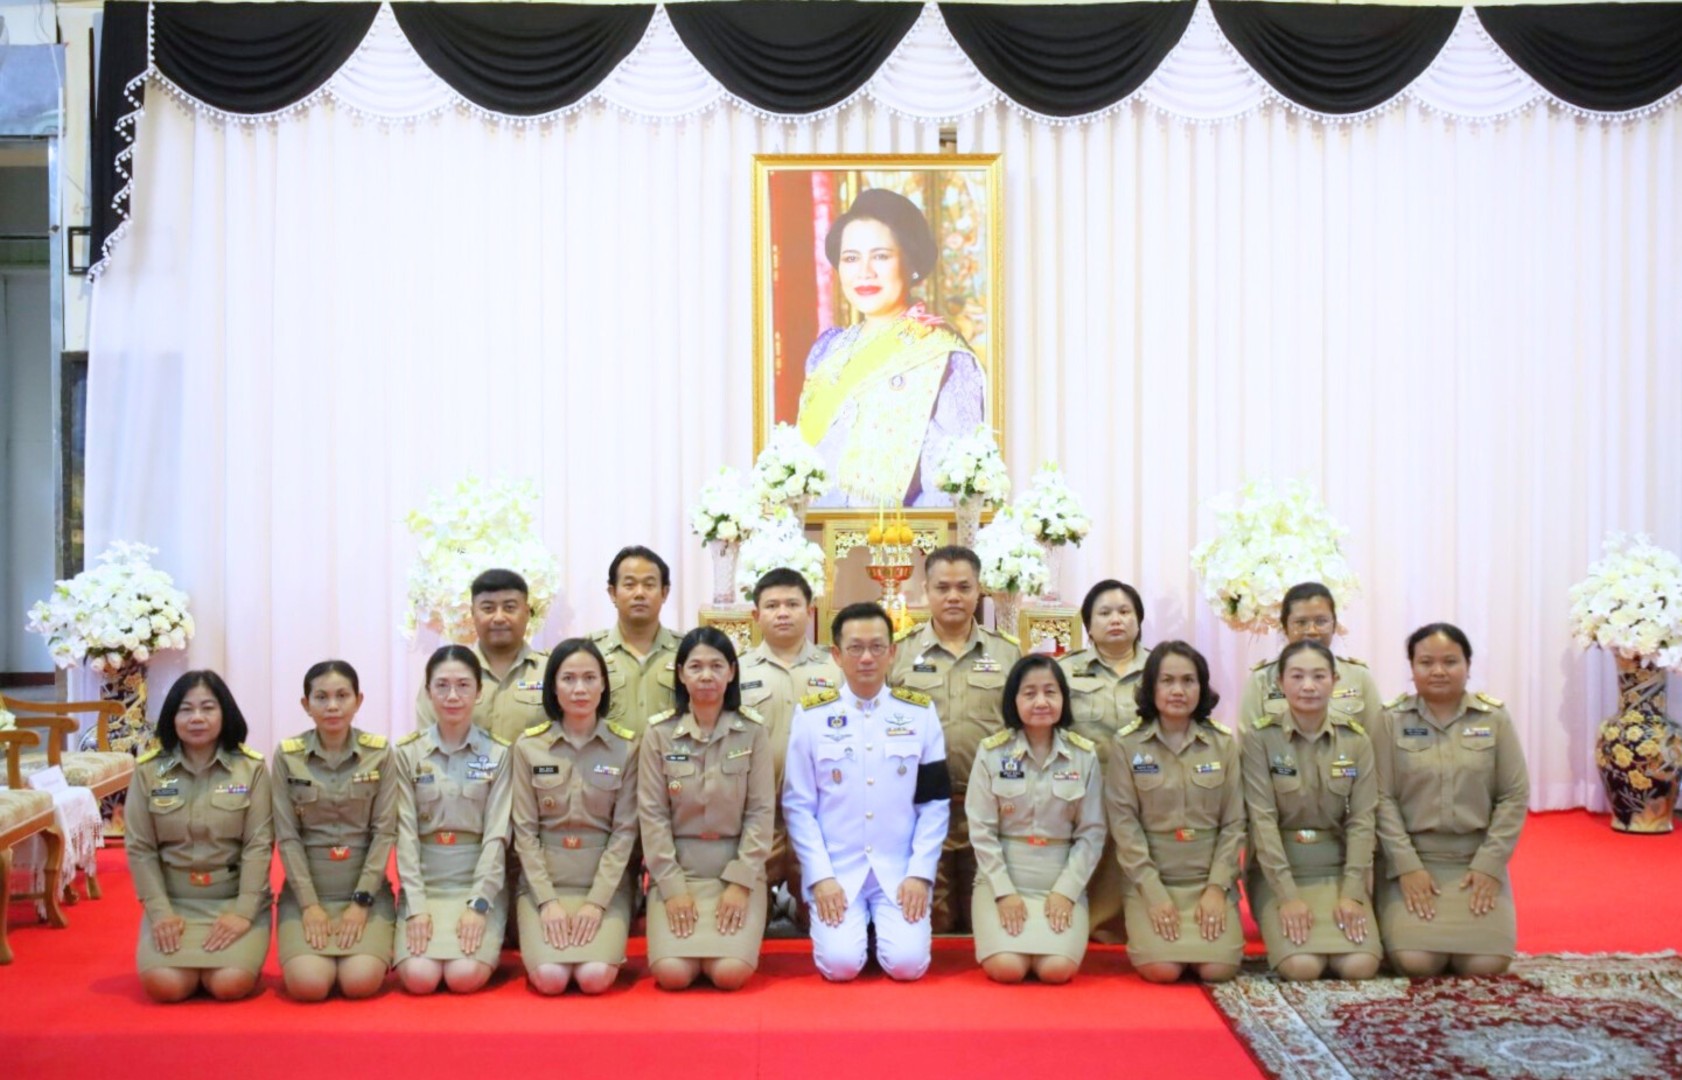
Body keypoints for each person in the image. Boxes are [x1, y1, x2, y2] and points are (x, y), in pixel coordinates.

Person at [784, 602, 950, 981]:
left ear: (892, 653)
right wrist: (820, 877)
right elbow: (798, 805)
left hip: (899, 869)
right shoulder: (811, 716)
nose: (867, 658)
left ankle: (881, 931)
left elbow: (934, 803)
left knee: (908, 966)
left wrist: (921, 873)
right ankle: (858, 932)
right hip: (839, 871)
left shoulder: (919, 714)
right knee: (840, 966)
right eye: (855, 648)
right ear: (837, 655)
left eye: (877, 647)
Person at [797, 188, 985, 508]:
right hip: (812, 541)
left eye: (881, 256)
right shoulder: (827, 351)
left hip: (896, 547)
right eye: (851, 258)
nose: (864, 272)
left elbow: (951, 489)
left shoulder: (943, 356)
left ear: (911, 263)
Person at [1372, 624, 1529, 977]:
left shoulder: (1494, 719)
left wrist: (1489, 865)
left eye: (1450, 661)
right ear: (1412, 668)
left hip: (1474, 861)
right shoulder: (1391, 720)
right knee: (1416, 962)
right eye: (1426, 662)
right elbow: (1380, 799)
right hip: (1413, 861)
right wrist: (1407, 866)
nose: (1438, 671)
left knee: (1487, 964)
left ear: (1468, 666)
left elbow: (1513, 795)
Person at [890, 545, 1019, 933]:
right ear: (925, 589)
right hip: (920, 808)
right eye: (942, 587)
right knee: (934, 920)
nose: (953, 597)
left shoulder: (1007, 653)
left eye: (964, 587)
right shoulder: (900, 651)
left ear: (979, 590)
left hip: (990, 808)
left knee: (985, 916)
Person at [638, 628, 775, 991]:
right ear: (680, 673)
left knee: (730, 972)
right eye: (695, 666)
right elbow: (652, 817)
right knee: (672, 973)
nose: (706, 676)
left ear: (732, 671)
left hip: (735, 869)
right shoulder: (659, 734)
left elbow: (761, 813)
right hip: (679, 868)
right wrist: (671, 886)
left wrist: (741, 882)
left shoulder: (752, 732)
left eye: (716, 666)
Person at [124, 670, 273, 1002]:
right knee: (166, 986)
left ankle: (242, 946)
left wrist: (243, 912)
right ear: (172, 716)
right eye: (186, 709)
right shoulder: (149, 770)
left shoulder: (252, 769)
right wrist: (160, 913)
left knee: (229, 984)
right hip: (175, 903)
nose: (197, 718)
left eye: (208, 708)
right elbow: (140, 848)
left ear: (225, 713)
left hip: (232, 900)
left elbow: (258, 846)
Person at [1242, 640, 1381, 981]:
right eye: (1297, 676)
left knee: (1360, 967)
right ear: (1279, 683)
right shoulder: (1261, 739)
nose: (1308, 686)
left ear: (1334, 680)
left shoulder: (1356, 740)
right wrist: (1287, 896)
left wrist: (1353, 892)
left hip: (1336, 866)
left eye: (1319, 676)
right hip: (1279, 870)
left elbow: (1363, 821)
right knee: (1301, 967)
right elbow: (1261, 820)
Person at [1105, 641, 1243, 984]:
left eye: (1188, 681)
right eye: (1167, 681)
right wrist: (1153, 892)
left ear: (1202, 687)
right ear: (1151, 687)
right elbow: (1124, 827)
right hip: (1152, 878)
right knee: (1161, 970)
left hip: (1206, 877)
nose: (1178, 690)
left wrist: (1216, 888)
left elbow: (1235, 823)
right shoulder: (1127, 745)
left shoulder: (1223, 744)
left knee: (1218, 969)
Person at [510, 639, 640, 995]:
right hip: (544, 885)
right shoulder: (528, 747)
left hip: (604, 885)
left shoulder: (626, 747)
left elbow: (625, 832)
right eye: (568, 679)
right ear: (553, 686)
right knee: (550, 979)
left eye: (589, 678)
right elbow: (524, 832)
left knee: (594, 977)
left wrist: (597, 902)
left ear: (603, 685)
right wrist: (547, 902)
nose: (579, 689)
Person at [967, 656, 1105, 984]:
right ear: (1014, 700)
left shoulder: (1084, 755)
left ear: (1063, 699)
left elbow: (1092, 832)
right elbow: (981, 830)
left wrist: (1067, 890)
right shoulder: (991, 752)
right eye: (1029, 693)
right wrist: (1003, 891)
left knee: (1057, 970)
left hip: (1058, 877)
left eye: (1050, 692)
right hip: (1001, 876)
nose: (1041, 702)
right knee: (1007, 968)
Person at [272, 660, 397, 1001]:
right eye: (321, 697)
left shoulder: (380, 753)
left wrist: (361, 902)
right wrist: (309, 905)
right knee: (308, 986)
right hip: (307, 894)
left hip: (365, 893)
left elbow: (384, 833)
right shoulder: (287, 757)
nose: (332, 706)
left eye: (342, 696)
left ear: (358, 700)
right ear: (305, 704)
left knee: (360, 983)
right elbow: (288, 837)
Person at [393, 646, 514, 994]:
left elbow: (496, 836)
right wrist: (416, 906)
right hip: (426, 883)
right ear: (428, 691)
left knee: (463, 976)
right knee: (419, 977)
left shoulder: (499, 754)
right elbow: (405, 835)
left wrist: (479, 904)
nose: (452, 696)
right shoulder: (407, 753)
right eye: (442, 686)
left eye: (463, 685)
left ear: (479, 692)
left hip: (476, 882)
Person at [738, 568, 843, 909]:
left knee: (819, 917)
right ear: (756, 615)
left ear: (810, 610)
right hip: (755, 813)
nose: (782, 613)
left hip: (819, 813)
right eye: (771, 606)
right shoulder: (736, 671)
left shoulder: (835, 669)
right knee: (749, 917)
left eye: (792, 604)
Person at [1057, 579, 1149, 942]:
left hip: (1147, 789)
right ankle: (1085, 924)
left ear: (1138, 621)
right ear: (1088, 625)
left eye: (1125, 612)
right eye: (1105, 613)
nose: (1116, 620)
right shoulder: (1066, 672)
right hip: (1084, 788)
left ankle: (1138, 924)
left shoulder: (1161, 667)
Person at [415, 569, 550, 745]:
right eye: (488, 608)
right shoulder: (444, 674)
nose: (499, 618)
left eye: (509, 607)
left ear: (526, 612)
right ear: (473, 614)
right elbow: (428, 743)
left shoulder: (551, 673)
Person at [1238, 582, 1382, 734]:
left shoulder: (1359, 677)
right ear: (1285, 627)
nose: (1312, 631)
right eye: (1301, 622)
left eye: (1321, 621)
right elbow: (1249, 746)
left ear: (1334, 625)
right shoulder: (1261, 680)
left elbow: (1377, 741)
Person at [590, 546, 681, 735]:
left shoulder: (687, 652)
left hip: (670, 762)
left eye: (649, 585)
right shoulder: (589, 653)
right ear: (612, 593)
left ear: (664, 593)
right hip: (609, 763)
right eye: (629, 585)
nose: (639, 593)